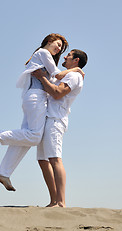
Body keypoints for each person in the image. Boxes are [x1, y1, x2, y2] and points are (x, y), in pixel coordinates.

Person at [0, 33, 83, 191]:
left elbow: (53, 79)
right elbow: (56, 74)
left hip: (33, 98)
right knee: (34, 137)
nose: (59, 50)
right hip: (36, 98)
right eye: (58, 45)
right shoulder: (43, 53)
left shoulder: (40, 55)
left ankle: (4, 173)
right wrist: (76, 69)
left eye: (62, 48)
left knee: (26, 136)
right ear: (49, 41)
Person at [32, 49, 88, 207]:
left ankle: (61, 202)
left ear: (76, 60)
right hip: (47, 118)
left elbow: (57, 93)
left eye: (68, 55)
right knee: (43, 160)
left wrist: (42, 77)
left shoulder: (75, 76)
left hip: (56, 119)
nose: (64, 56)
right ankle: (53, 201)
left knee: (55, 159)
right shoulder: (69, 73)